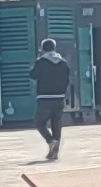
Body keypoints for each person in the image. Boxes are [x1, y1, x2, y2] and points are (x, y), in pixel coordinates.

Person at [30, 32, 74, 162]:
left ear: (43, 49)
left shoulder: (41, 62)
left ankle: (50, 142)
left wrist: (38, 60)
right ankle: (54, 152)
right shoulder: (63, 63)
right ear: (54, 48)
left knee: (39, 122)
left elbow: (33, 75)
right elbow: (67, 79)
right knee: (56, 124)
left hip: (44, 98)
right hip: (59, 98)